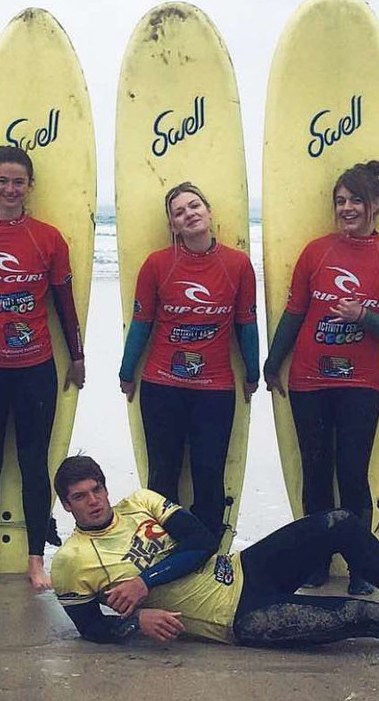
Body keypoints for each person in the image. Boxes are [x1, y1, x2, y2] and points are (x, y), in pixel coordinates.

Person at [50, 455, 379, 647]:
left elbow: (202, 542)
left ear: (105, 487)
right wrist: (136, 621)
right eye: (80, 497)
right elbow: (90, 628)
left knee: (340, 522)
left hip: (243, 569)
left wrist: (144, 584)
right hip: (239, 619)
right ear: (67, 505)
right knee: (361, 615)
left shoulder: (140, 502)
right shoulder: (71, 561)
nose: (92, 502)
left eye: (96, 490)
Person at [263, 162, 379, 594]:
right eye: (341, 201)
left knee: (352, 473)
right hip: (309, 380)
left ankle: (361, 568)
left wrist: (362, 315)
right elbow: (295, 313)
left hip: (360, 385)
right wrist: (274, 362)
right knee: (314, 474)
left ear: (376, 206)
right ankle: (315, 561)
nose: (347, 208)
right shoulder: (317, 252)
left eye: (356, 201)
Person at [0, 145, 85, 591]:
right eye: (2, 180)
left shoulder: (48, 238)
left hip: (34, 369)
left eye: (18, 181)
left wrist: (77, 356)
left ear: (29, 186)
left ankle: (36, 560)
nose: (10, 189)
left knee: (32, 464)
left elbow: (64, 304)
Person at [119, 181, 258, 541]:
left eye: (194, 206)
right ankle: (161, 548)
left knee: (209, 473)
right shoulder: (157, 264)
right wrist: (127, 371)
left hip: (215, 389)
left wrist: (254, 372)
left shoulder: (237, 264)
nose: (189, 214)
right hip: (162, 385)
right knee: (162, 476)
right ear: (173, 226)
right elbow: (142, 322)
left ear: (209, 212)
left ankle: (207, 552)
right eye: (179, 212)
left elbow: (245, 322)